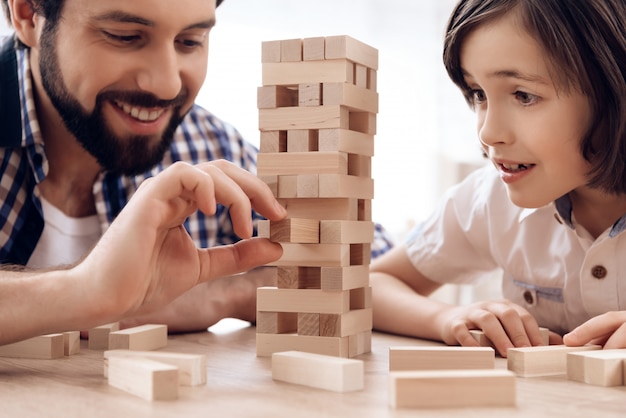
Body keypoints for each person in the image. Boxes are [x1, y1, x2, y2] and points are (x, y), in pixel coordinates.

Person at [371, 0, 626, 357]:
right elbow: (373, 284)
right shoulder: (488, 199)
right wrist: (449, 318)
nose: (488, 133)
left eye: (523, 95)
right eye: (478, 94)